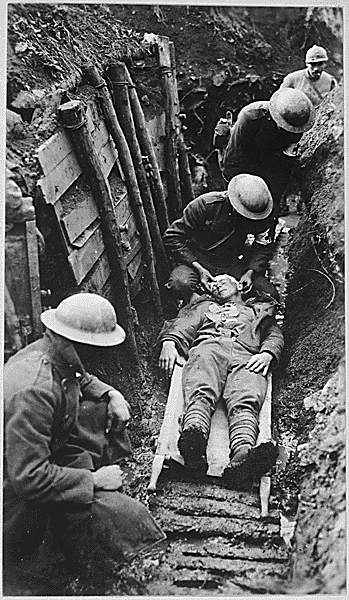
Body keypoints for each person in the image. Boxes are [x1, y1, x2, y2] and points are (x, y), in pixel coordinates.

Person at [4, 293, 165, 579]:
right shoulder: (35, 390)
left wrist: (112, 394)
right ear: (76, 343)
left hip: (39, 458)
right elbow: (28, 477)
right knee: (122, 515)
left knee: (99, 407)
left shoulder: (54, 350)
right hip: (14, 498)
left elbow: (83, 378)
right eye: (95, 349)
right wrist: (93, 481)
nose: (99, 356)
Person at [158, 274, 284, 491]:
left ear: (239, 287)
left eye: (223, 281)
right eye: (213, 284)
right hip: (210, 347)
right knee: (200, 389)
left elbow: (274, 334)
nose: (217, 285)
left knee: (246, 398)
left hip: (247, 354)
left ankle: (242, 458)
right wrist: (169, 341)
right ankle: (194, 441)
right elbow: (183, 325)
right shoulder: (204, 307)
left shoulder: (258, 310)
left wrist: (267, 354)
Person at [163, 173, 278, 304]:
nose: (249, 220)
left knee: (270, 294)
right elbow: (172, 237)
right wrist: (199, 269)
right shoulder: (205, 206)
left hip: (233, 263)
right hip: (198, 261)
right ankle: (197, 305)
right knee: (180, 283)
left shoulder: (259, 214)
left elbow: (263, 247)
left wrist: (250, 272)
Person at [221, 88, 315, 220]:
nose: (288, 131)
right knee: (241, 199)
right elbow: (235, 158)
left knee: (270, 204)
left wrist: (275, 202)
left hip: (271, 158)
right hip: (246, 155)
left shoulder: (295, 124)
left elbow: (284, 165)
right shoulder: (251, 117)